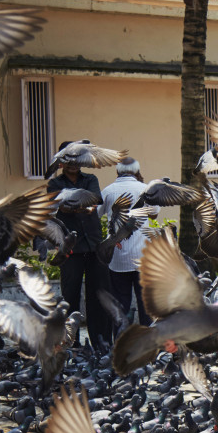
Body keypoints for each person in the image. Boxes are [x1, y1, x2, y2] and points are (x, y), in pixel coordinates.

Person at [47, 142, 111, 349]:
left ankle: (101, 342)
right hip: (70, 249)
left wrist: (77, 206)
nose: (73, 164)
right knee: (70, 296)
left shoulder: (91, 179)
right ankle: (69, 344)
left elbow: (96, 199)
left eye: (77, 160)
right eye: (69, 160)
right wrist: (81, 206)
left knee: (98, 295)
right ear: (61, 162)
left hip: (94, 245)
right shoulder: (54, 184)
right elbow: (61, 207)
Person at [98, 157, 158, 327]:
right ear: (137, 171)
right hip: (142, 257)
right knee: (146, 304)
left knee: (120, 305)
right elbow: (154, 213)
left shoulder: (108, 191)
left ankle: (119, 343)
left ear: (117, 171)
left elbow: (95, 214)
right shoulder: (145, 189)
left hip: (118, 259)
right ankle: (149, 345)